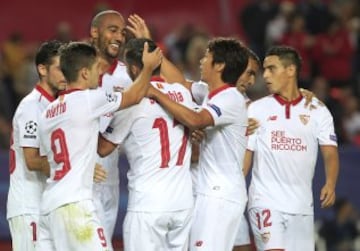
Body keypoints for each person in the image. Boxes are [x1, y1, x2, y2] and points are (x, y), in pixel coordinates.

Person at [36, 41, 161, 250]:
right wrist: (147, 67)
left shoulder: (47, 112)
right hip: (76, 206)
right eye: (96, 69)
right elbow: (134, 96)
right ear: (84, 73)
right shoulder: (88, 99)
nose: (99, 74)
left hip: (50, 206)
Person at [147, 37, 249, 251]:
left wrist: (156, 93)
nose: (202, 61)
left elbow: (196, 120)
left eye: (207, 57)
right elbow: (181, 84)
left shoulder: (230, 97)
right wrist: (153, 48)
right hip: (211, 190)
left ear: (219, 65)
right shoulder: (210, 94)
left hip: (221, 193)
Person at [98, 38, 195, 251]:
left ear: (133, 68)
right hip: (183, 203)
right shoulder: (184, 94)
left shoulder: (133, 101)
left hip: (148, 204)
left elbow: (103, 149)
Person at [245, 46, 339, 251]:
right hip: (265, 202)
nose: (266, 75)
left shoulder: (318, 110)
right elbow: (247, 156)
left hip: (301, 207)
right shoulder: (257, 109)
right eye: (265, 70)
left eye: (272, 69)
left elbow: (330, 152)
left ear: (290, 70)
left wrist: (330, 183)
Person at [6, 40, 66, 251]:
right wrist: (73, 168)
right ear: (42, 69)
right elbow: (32, 161)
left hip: (45, 204)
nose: (65, 74)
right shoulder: (31, 107)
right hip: (29, 205)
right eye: (59, 68)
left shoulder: (55, 106)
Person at [89, 10, 133, 249]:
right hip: (74, 177)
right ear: (94, 32)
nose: (119, 36)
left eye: (122, 32)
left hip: (108, 176)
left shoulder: (129, 77)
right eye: (112, 30)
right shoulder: (70, 70)